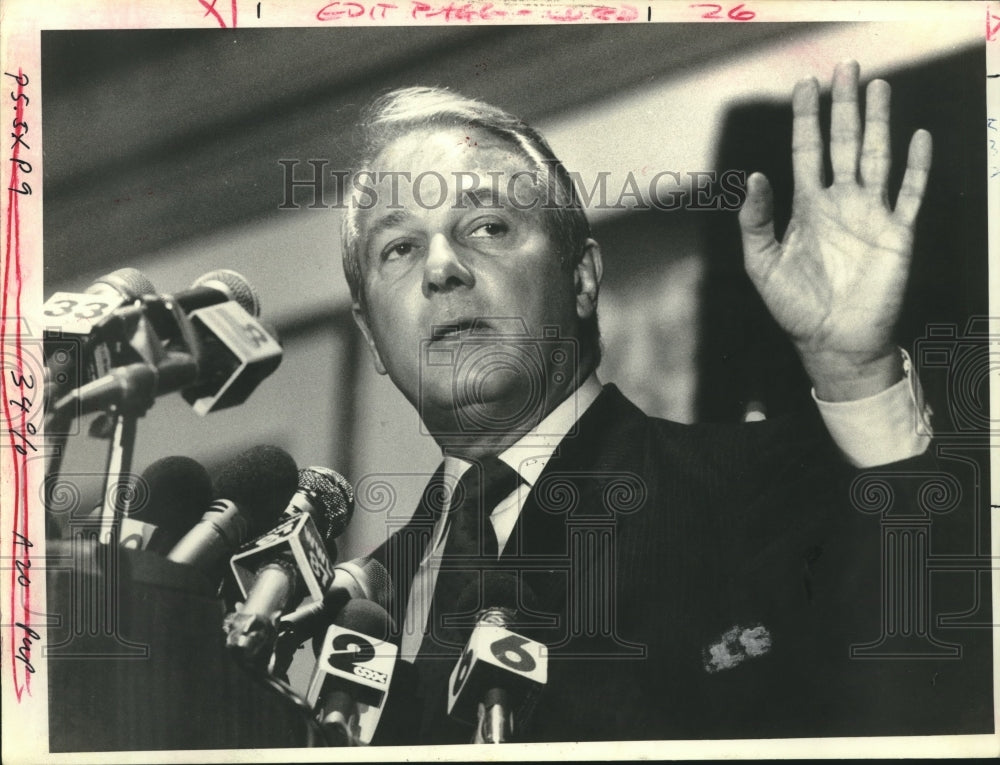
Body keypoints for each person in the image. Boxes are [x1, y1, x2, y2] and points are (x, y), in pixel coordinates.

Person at [338, 61, 953, 743]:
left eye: (487, 227)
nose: (441, 265)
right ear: (370, 332)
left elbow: (931, 672)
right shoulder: (354, 607)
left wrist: (856, 373)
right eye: (398, 247)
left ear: (581, 277)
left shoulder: (759, 488)